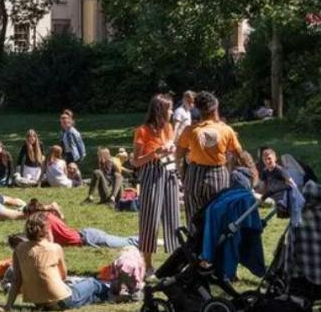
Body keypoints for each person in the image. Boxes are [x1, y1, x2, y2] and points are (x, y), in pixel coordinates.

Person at [2, 212, 111, 310]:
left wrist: (8, 305)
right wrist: (51, 240)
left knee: (91, 296)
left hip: (38, 302)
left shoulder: (19, 249)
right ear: (47, 230)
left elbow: (17, 280)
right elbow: (63, 275)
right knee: (93, 283)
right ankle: (116, 292)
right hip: (61, 300)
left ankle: (105, 297)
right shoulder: (54, 248)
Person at [176, 91, 243, 225]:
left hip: (195, 175)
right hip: (218, 174)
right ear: (215, 109)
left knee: (194, 218)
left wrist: (183, 175)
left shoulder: (190, 130)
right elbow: (239, 154)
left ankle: (196, 244)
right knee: (219, 216)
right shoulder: (226, 130)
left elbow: (178, 155)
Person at [134, 93, 180, 269]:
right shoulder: (142, 131)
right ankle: (148, 263)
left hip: (169, 172)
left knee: (173, 216)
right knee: (150, 218)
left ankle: (174, 263)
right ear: (160, 110)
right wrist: (155, 152)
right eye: (169, 108)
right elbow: (136, 161)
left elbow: (171, 151)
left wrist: (171, 150)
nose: (172, 111)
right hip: (151, 173)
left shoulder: (168, 128)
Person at [23, 199, 137, 249]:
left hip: (88, 238)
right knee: (122, 241)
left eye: (29, 216)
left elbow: (49, 242)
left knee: (125, 242)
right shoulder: (48, 216)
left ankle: (147, 241)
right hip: (86, 234)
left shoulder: (45, 220)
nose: (29, 220)